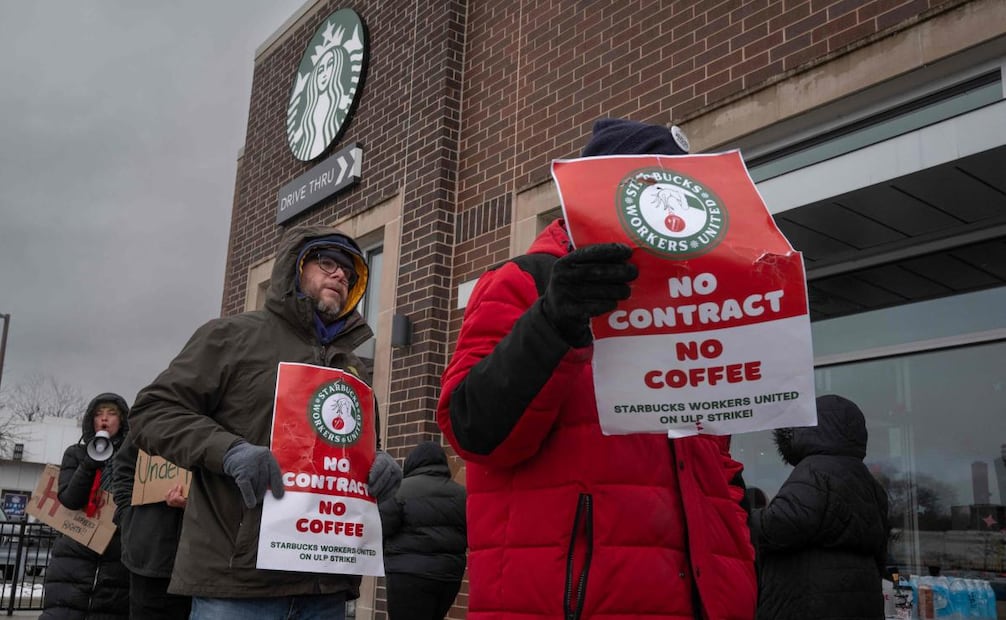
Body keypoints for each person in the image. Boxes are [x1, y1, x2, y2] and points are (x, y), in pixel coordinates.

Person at [436, 118, 757, 620]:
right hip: (573, 602)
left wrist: (735, 529)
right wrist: (554, 322)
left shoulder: (689, 302)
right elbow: (472, 429)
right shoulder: (524, 282)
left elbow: (715, 462)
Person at [127, 224, 402, 620]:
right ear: (296, 268)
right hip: (239, 585)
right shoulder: (232, 336)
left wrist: (380, 464)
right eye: (328, 263)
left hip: (326, 587)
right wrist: (230, 451)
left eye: (351, 273)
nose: (341, 275)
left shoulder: (352, 369)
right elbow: (152, 412)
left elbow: (355, 452)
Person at [749, 394, 890, 620]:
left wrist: (743, 517)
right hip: (862, 600)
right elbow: (881, 549)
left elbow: (781, 524)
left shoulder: (815, 470)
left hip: (810, 601)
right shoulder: (869, 483)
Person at [41, 393, 130, 619]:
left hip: (115, 557)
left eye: (112, 414)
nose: (105, 419)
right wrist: (91, 461)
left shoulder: (131, 457)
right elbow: (70, 499)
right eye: (99, 414)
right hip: (74, 556)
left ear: (122, 421)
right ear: (91, 420)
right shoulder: (76, 453)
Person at [379, 440, 467, 620]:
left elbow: (382, 526)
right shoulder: (462, 495)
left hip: (407, 574)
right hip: (449, 576)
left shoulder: (399, 490)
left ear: (412, 462)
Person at [111, 428, 191, 619]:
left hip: (200, 563)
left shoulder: (219, 418)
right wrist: (129, 519)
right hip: (149, 559)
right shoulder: (148, 422)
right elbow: (123, 473)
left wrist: (193, 506)